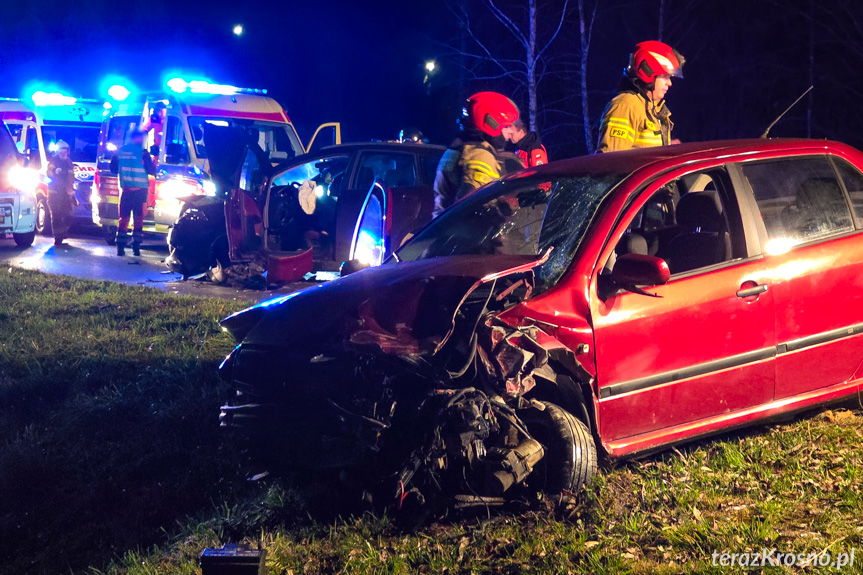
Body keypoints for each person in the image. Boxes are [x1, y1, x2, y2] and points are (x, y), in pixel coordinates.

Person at [433, 91, 522, 217]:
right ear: (490, 124)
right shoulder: (480, 156)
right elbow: (472, 207)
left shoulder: (459, 148)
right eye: (507, 126)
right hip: (465, 235)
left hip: (445, 231)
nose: (511, 132)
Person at [596, 40, 685, 153]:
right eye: (665, 77)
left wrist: (667, 150)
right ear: (648, 72)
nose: (669, 83)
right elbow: (611, 160)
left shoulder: (654, 109)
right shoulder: (626, 106)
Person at [110, 130, 155, 256]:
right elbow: (150, 170)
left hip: (126, 190)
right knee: (138, 218)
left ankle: (120, 247)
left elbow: (113, 169)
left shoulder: (120, 152)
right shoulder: (143, 153)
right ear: (139, 139)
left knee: (123, 218)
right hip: (140, 191)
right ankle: (136, 246)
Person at [47, 140, 77, 246]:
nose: (64, 153)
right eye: (62, 151)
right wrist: (55, 172)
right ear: (58, 151)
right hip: (54, 193)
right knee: (56, 215)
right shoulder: (53, 161)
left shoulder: (69, 162)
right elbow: (49, 173)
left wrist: (71, 191)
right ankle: (58, 237)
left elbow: (72, 177)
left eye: (66, 151)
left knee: (68, 214)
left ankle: (63, 232)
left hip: (65, 193)